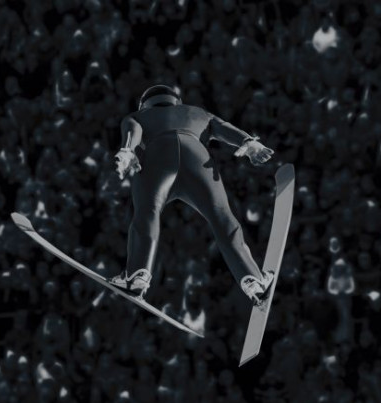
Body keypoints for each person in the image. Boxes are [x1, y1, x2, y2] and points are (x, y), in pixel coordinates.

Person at [111, 85, 275, 304]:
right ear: (176, 101)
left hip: (158, 156)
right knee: (221, 216)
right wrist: (248, 142)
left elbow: (133, 129)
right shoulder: (197, 112)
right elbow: (222, 127)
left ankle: (137, 275)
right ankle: (252, 279)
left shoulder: (138, 116)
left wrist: (127, 150)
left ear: (144, 104)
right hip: (197, 158)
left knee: (148, 212)